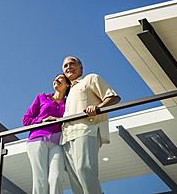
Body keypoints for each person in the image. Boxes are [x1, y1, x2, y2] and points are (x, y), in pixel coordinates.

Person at [61, 56, 121, 194]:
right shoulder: (69, 92)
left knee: (84, 169)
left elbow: (113, 97)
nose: (68, 67)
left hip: (87, 129)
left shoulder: (91, 78)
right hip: (66, 136)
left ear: (81, 67)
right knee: (75, 177)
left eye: (72, 64)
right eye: (65, 66)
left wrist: (97, 107)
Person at [23, 74, 71, 194]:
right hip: (37, 139)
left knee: (56, 178)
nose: (56, 80)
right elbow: (26, 120)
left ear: (67, 84)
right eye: (55, 78)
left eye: (60, 78)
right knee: (40, 178)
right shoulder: (41, 98)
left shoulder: (69, 102)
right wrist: (42, 121)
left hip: (58, 142)